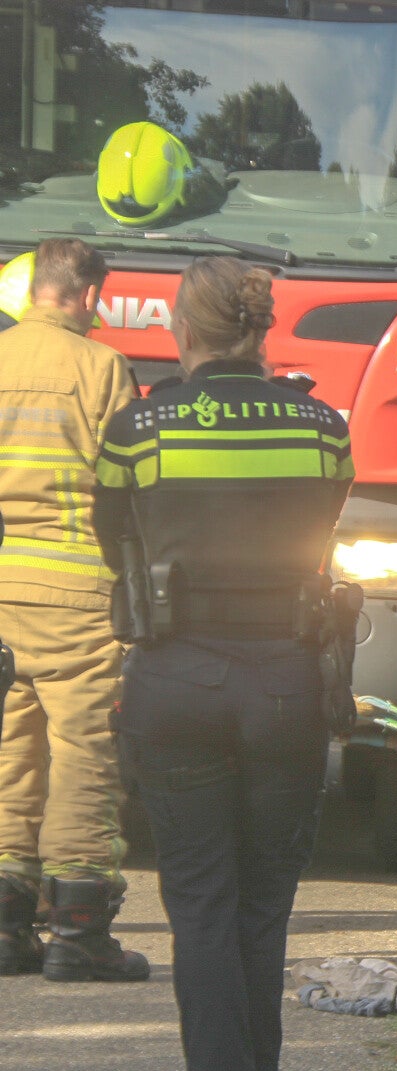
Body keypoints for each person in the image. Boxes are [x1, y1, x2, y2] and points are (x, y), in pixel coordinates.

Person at [95, 255, 354, 1071]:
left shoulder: (138, 428)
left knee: (199, 903)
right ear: (262, 329)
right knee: (263, 905)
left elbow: (115, 540)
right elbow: (323, 528)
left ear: (183, 331)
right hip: (286, 681)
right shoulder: (323, 427)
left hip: (176, 683)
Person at [0, 239, 145, 982]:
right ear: (88, 295)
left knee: (10, 752)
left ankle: (6, 928)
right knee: (86, 754)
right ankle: (78, 933)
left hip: (3, 590)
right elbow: (128, 486)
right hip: (80, 596)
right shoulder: (101, 367)